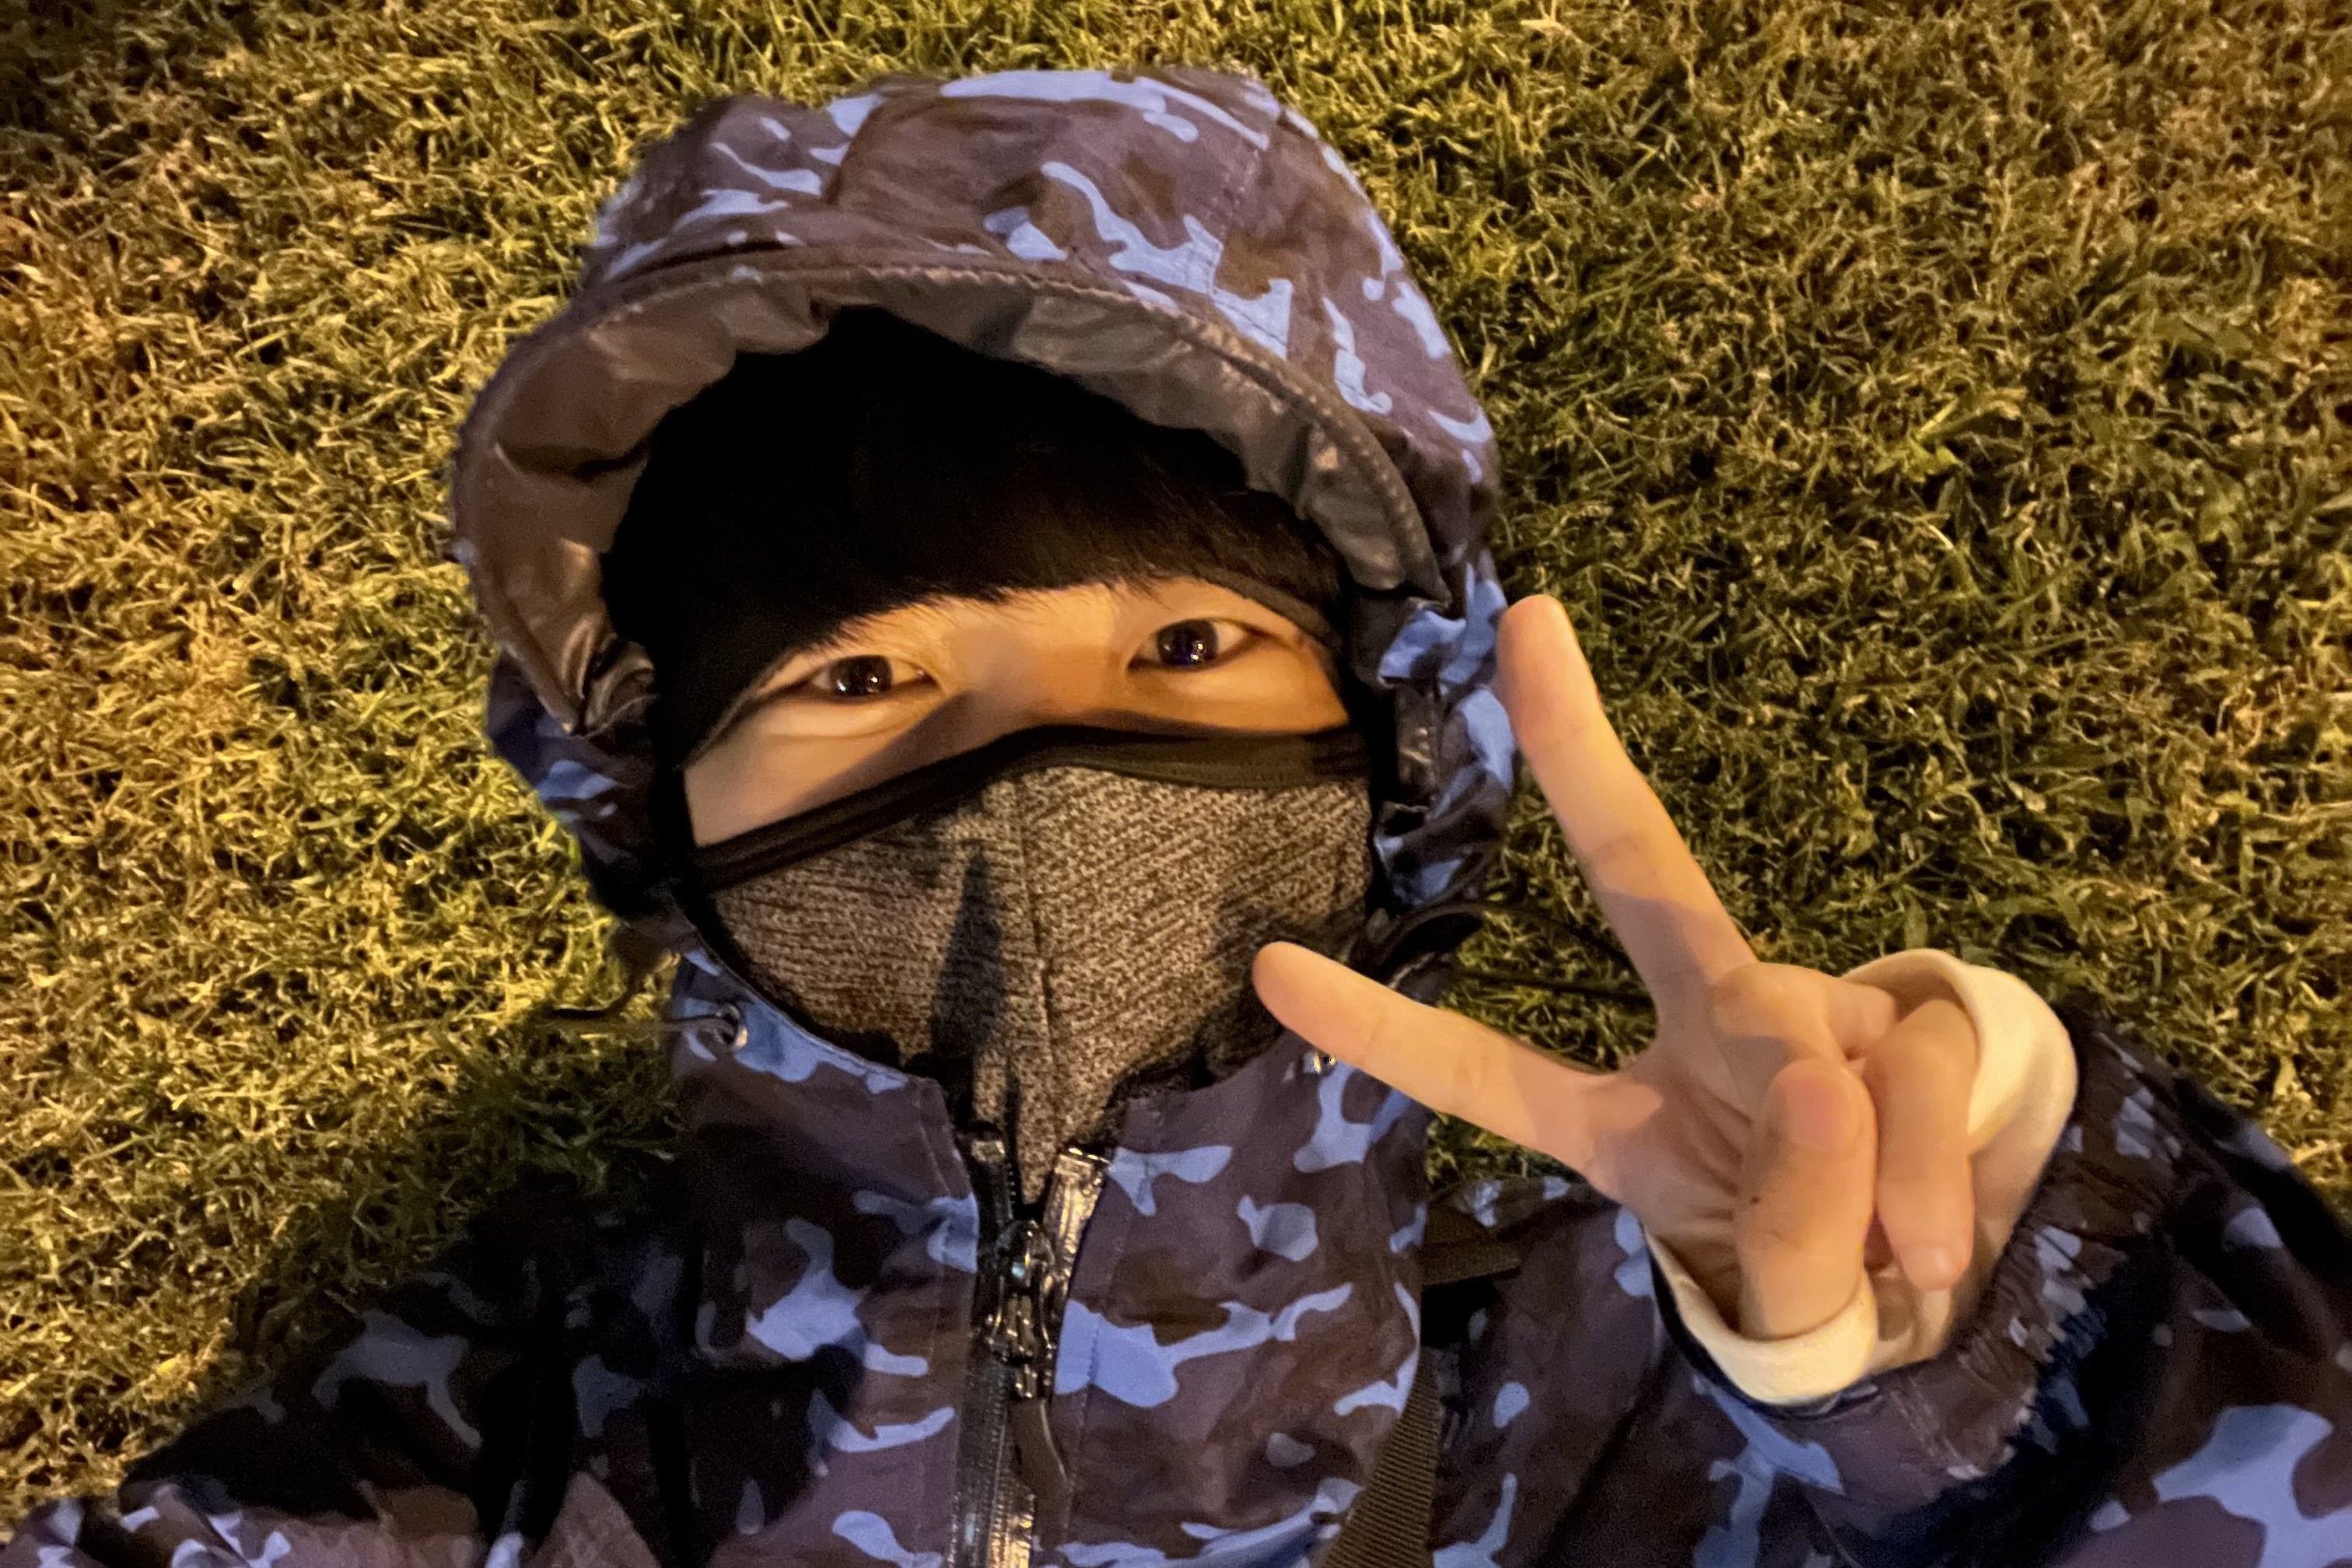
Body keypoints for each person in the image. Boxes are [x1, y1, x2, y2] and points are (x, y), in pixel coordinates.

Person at [6, 66, 2348, 1568]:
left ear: (1394, 741)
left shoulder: (1658, 1378)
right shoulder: (515, 1421)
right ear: (657, 804)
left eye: (1188, 644)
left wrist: (2021, 1328)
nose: (1038, 785)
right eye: (858, 675)